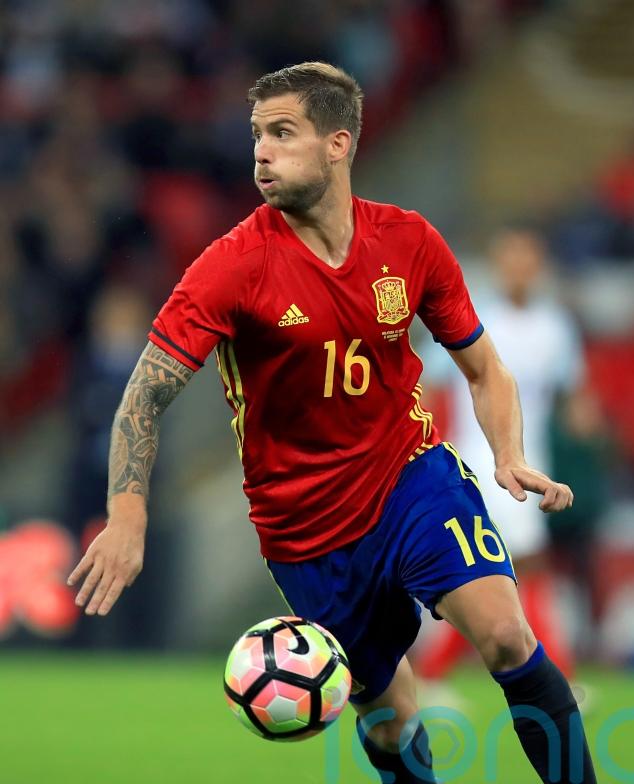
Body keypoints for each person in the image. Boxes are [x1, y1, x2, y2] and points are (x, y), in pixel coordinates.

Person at [67, 62, 596, 783]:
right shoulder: (232, 266)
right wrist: (127, 514)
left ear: (338, 143)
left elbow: (484, 369)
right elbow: (142, 397)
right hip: (306, 531)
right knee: (392, 719)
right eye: (257, 134)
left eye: (283, 133)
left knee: (507, 635)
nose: (261, 151)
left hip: (410, 479)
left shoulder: (409, 242)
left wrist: (507, 454)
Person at [414, 227, 582, 686]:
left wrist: (583, 418)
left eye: (527, 260)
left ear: (539, 267)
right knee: (521, 567)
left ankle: (431, 676)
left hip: (531, 463)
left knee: (490, 574)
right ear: (497, 265)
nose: (519, 269)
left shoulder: (555, 328)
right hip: (478, 462)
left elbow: (571, 393)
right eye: (511, 259)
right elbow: (429, 385)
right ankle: (558, 675)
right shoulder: (472, 320)